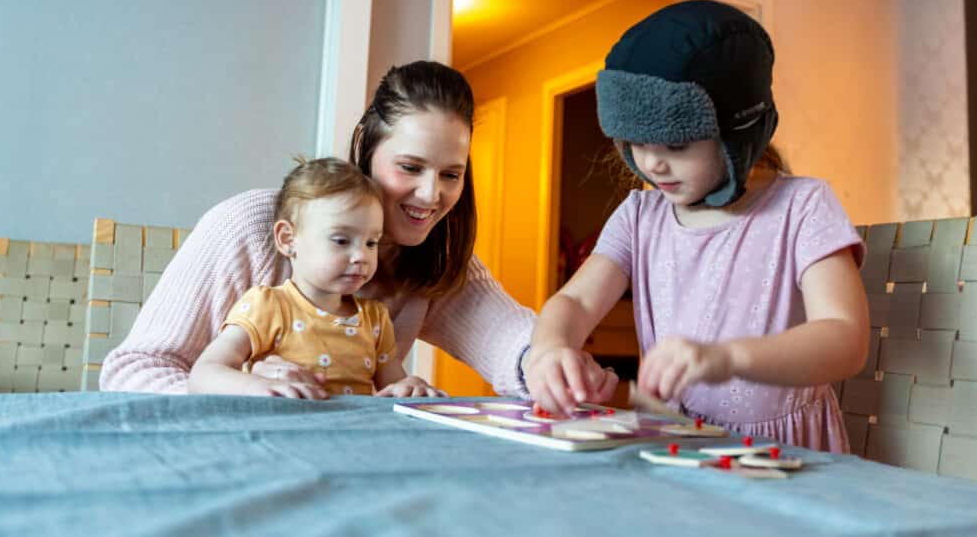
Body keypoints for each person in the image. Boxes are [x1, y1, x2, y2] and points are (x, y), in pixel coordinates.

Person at [100, 61, 618, 401]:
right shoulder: (249, 227)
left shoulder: (434, 261)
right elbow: (131, 372)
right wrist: (240, 387)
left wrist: (553, 361)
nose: (431, 194)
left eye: (451, 174)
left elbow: (509, 337)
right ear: (367, 150)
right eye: (410, 167)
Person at [525, 0, 868, 452]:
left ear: (737, 133)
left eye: (676, 144)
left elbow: (845, 336)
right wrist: (549, 348)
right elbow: (575, 300)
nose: (652, 162)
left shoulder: (802, 207)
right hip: (675, 442)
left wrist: (727, 358)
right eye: (636, 143)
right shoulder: (638, 216)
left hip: (784, 454)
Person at [188, 157, 443, 398]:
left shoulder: (375, 319)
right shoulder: (267, 306)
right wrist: (256, 386)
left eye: (371, 242)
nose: (362, 256)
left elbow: (393, 388)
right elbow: (203, 374)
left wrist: (409, 387)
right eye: (341, 240)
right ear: (288, 239)